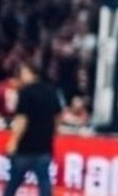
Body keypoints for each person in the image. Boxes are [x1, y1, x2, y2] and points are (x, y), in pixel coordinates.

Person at [4, 61, 62, 196]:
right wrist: (53, 132)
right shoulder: (51, 91)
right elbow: (58, 116)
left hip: (25, 147)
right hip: (44, 146)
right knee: (44, 182)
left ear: (29, 73)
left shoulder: (25, 93)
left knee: (14, 182)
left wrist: (13, 141)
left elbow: (22, 120)